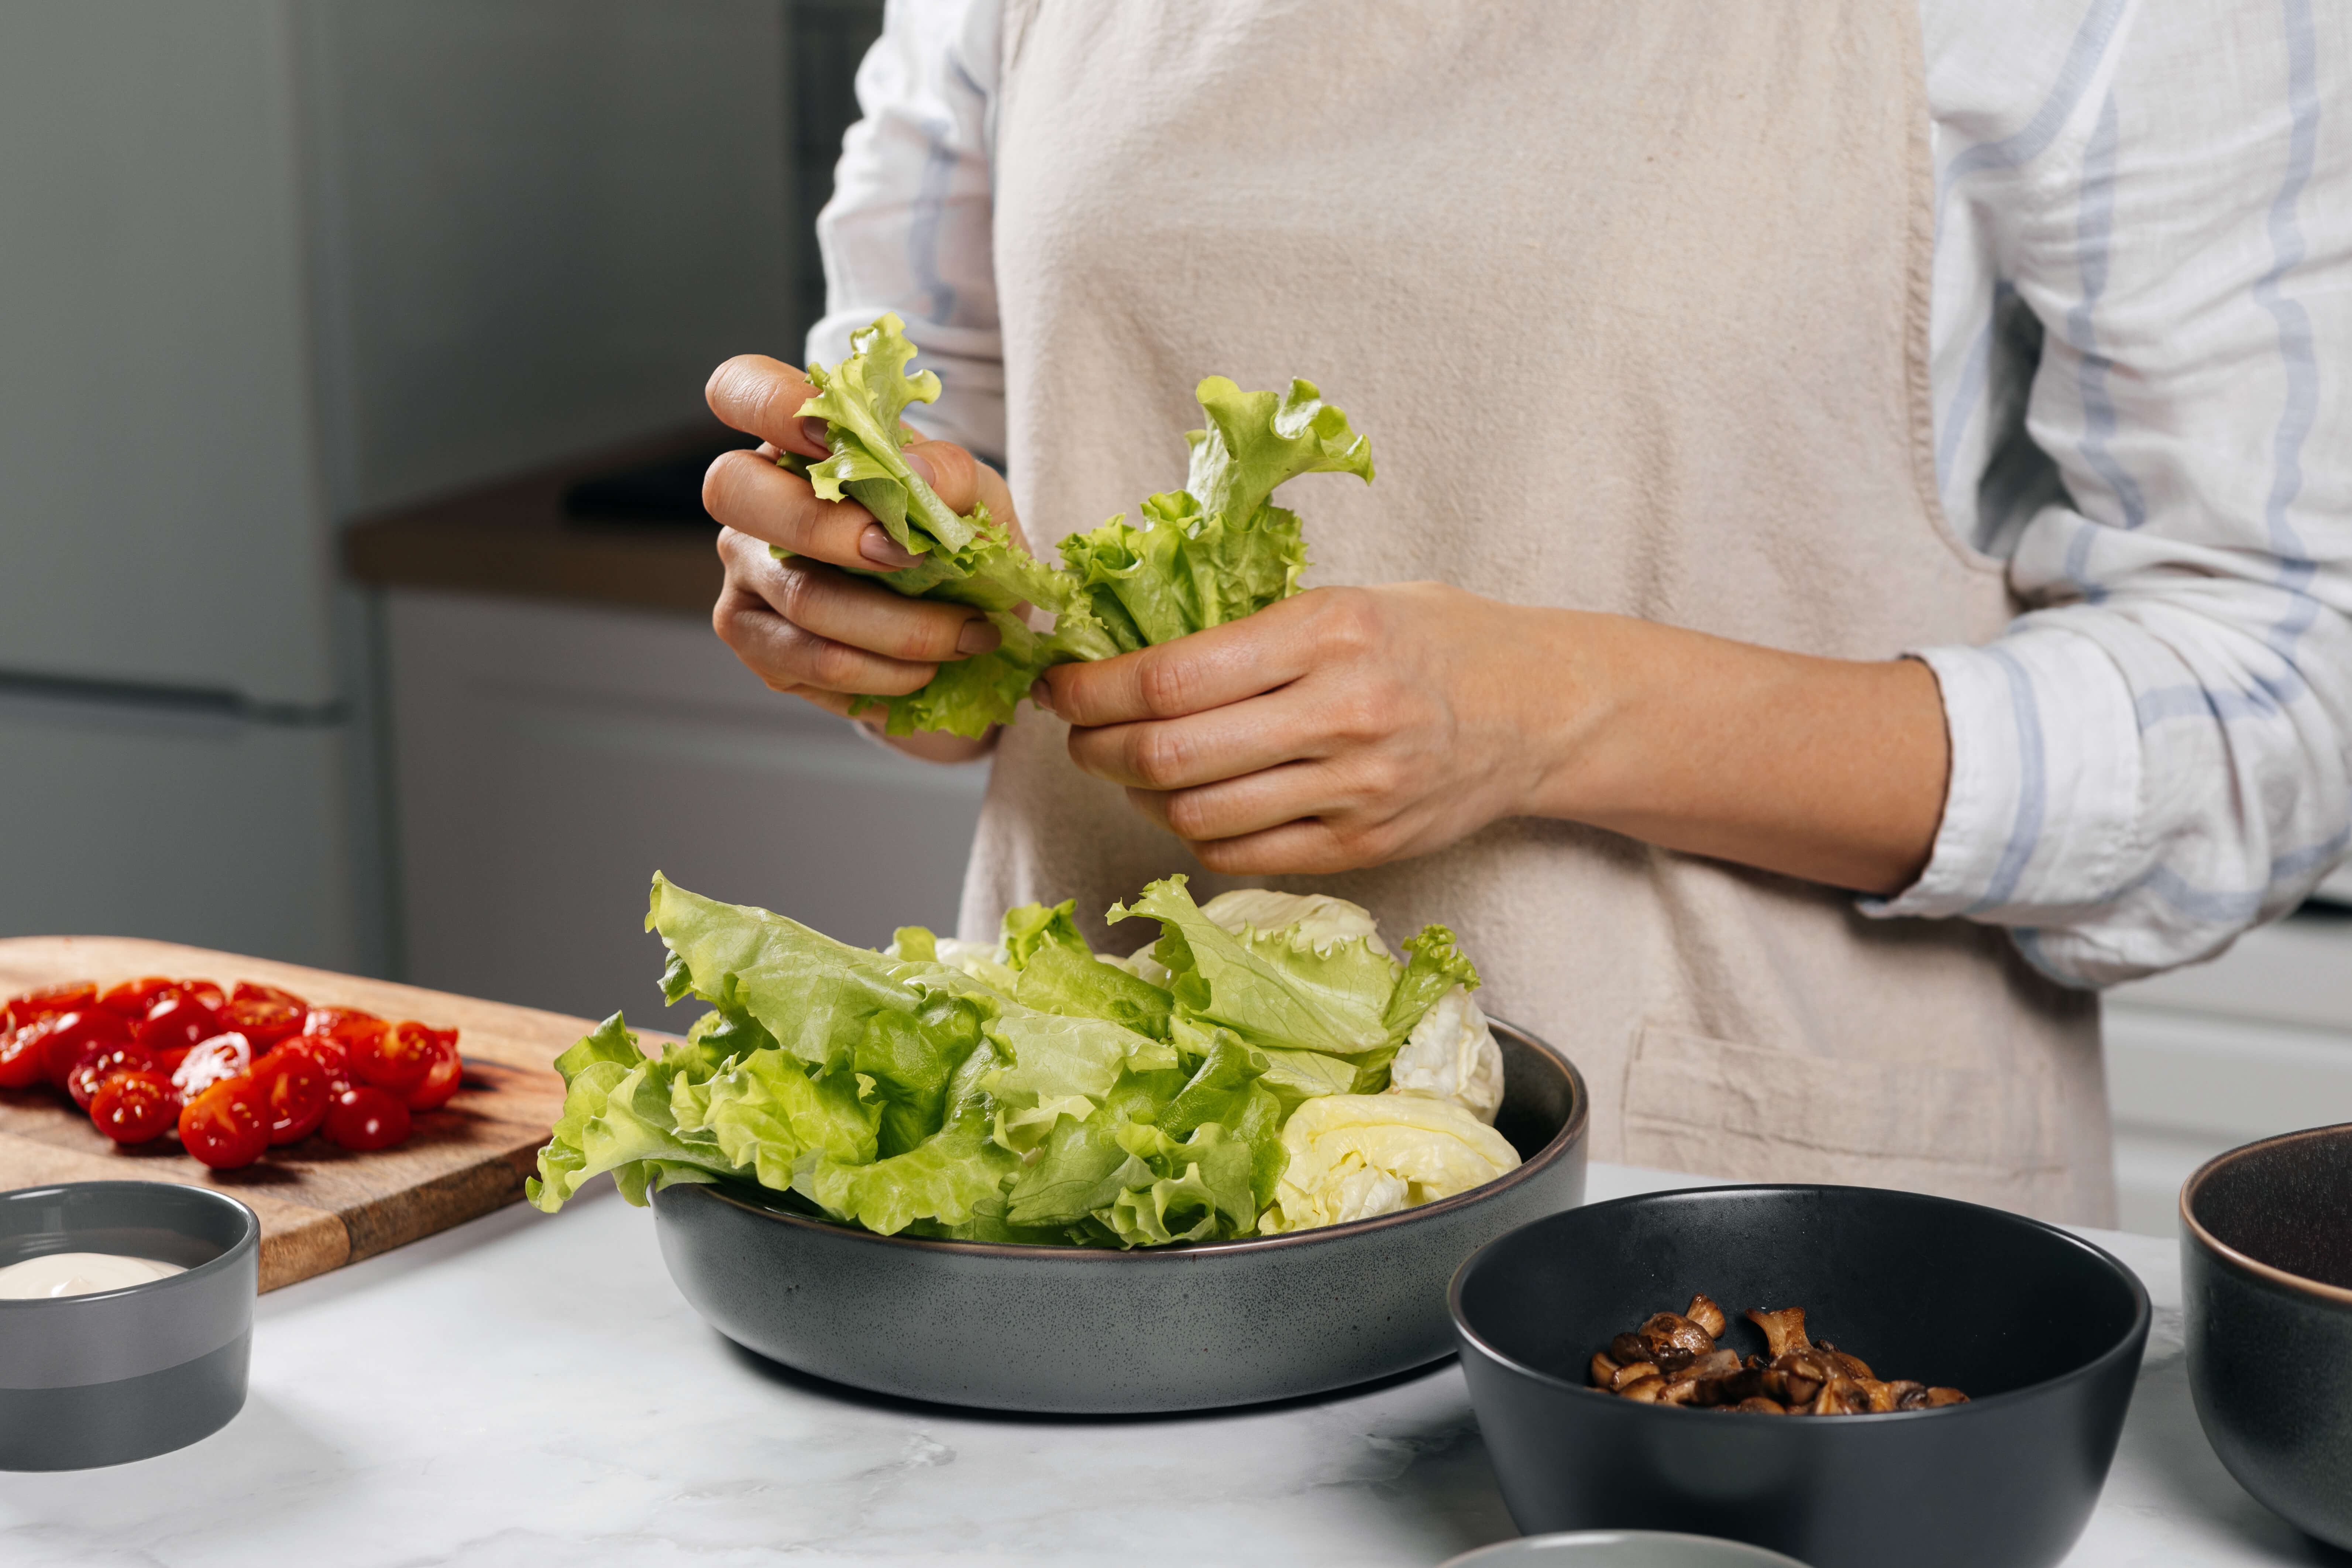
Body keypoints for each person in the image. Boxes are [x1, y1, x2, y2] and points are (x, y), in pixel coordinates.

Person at [699, 0, 2351, 1225]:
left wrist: (1565, 709)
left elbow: (2289, 684)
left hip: (1751, 1220)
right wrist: (873, 578)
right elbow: (942, 423)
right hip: (1097, 1205)